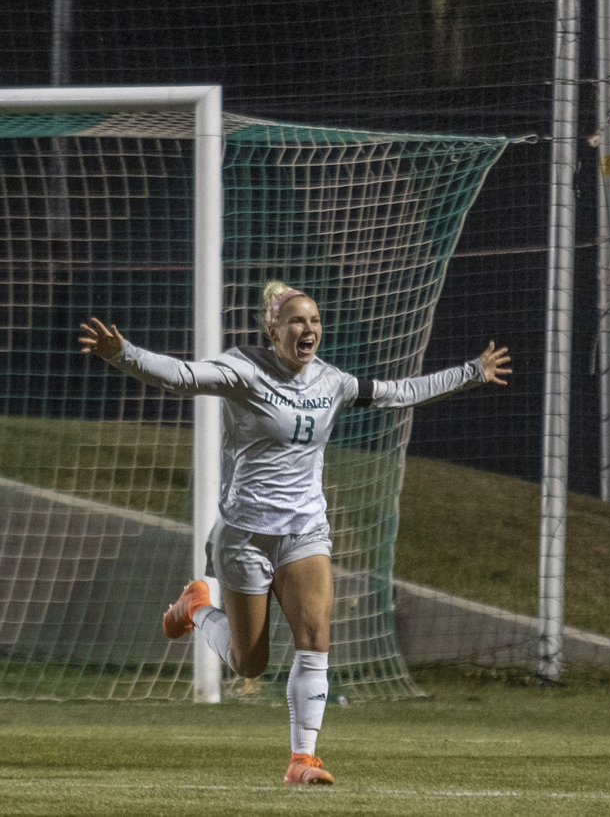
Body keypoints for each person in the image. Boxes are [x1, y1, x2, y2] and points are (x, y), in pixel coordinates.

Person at [79, 281, 511, 785]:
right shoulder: (244, 370)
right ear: (273, 330)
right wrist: (122, 353)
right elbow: (181, 377)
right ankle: (197, 605)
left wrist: (471, 373)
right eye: (297, 321)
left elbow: (398, 393)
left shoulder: (332, 381)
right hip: (244, 534)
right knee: (249, 664)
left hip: (305, 529)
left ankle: (302, 759)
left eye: (315, 321)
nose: (309, 330)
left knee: (315, 638)